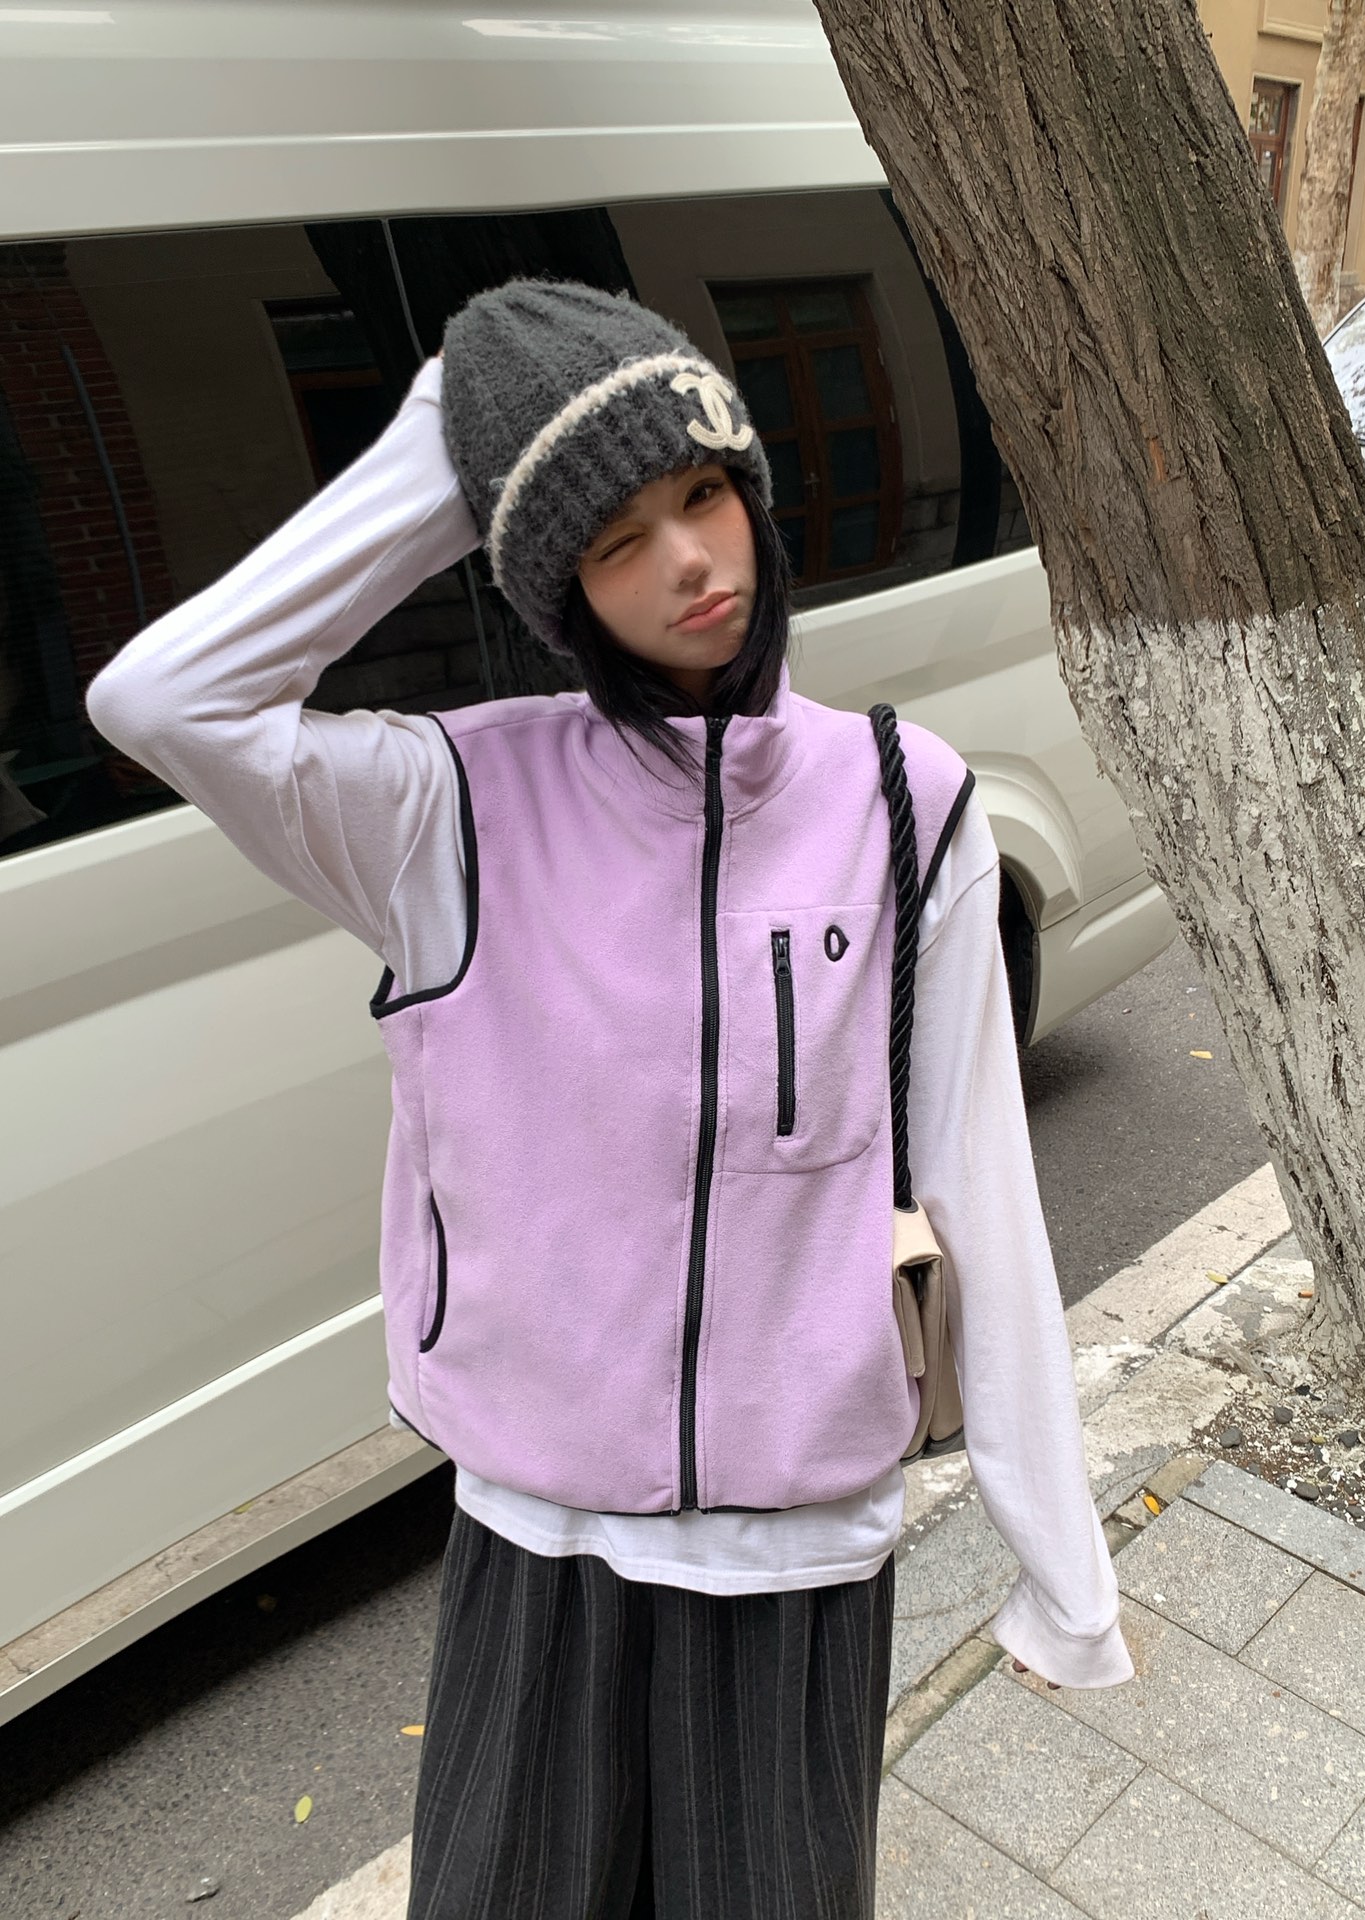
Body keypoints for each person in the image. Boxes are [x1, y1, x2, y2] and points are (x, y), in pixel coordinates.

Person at [84, 276, 1134, 1920]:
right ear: (558, 593)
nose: (690, 564)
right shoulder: (449, 810)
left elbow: (980, 1180)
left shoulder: (902, 801)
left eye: (702, 495)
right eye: (613, 540)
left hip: (797, 1562)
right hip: (541, 1547)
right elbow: (161, 701)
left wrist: (1063, 1571)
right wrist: (454, 443)